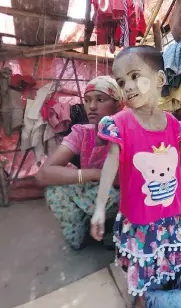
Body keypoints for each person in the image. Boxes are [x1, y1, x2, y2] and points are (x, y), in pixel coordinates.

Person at [90, 47, 181, 304]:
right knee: (141, 271)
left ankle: (165, 292)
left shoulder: (175, 125)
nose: (128, 87)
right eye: (121, 82)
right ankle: (141, 298)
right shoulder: (120, 123)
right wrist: (100, 207)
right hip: (140, 220)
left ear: (159, 79)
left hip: (171, 215)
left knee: (167, 262)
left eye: (135, 76)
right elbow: (110, 165)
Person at [35, 76, 123, 250]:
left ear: (118, 104)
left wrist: (102, 178)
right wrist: (93, 174)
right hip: (92, 189)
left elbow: (125, 179)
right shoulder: (82, 132)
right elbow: (42, 175)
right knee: (55, 190)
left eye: (100, 99)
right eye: (87, 100)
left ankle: (113, 230)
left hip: (119, 195)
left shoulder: (127, 132)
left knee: (126, 195)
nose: (91, 107)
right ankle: (85, 229)